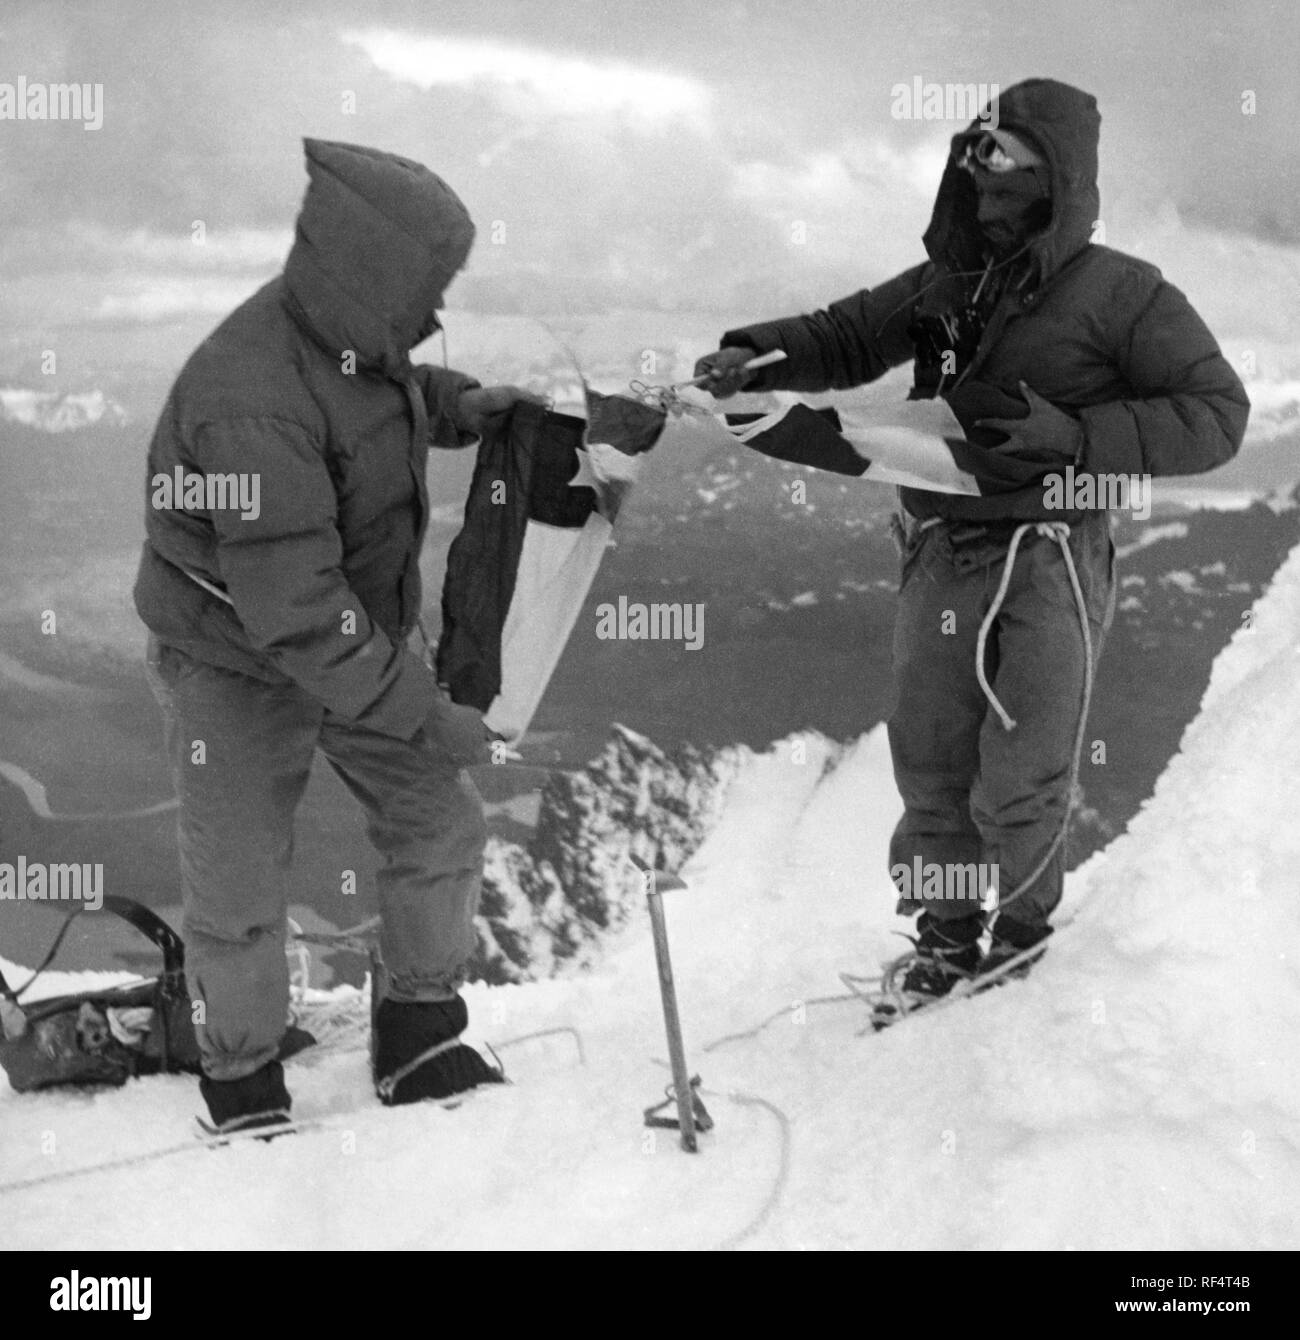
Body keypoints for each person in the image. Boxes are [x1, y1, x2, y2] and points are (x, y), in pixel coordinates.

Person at [694, 79, 1248, 1010]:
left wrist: (1076, 439)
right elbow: (844, 337)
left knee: (1025, 768)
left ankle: (1021, 949)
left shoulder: (1126, 295)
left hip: (1052, 552)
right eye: (978, 187)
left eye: (1011, 191)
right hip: (942, 543)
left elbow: (1216, 418)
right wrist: (759, 355)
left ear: (1060, 188)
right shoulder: (945, 283)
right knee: (933, 757)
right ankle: (947, 944)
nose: (989, 210)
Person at [133, 139, 541, 1132]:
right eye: (429, 284)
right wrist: (428, 714)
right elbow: (296, 612)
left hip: (343, 641)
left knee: (438, 826)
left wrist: (455, 406)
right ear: (371, 271)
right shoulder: (249, 395)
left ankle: (418, 1034)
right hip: (235, 659)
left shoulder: (353, 333)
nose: (435, 310)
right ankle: (242, 1082)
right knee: (239, 881)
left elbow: (372, 409)